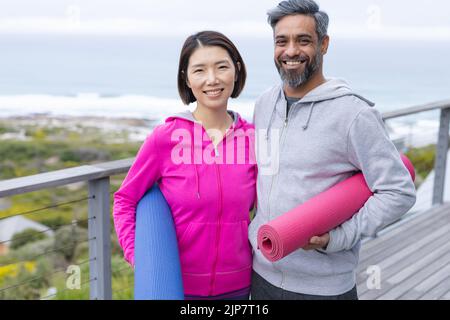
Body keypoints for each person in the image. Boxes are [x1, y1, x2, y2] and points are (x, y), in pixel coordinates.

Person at [248, 0, 416, 300]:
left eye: (303, 40)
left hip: (323, 290)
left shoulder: (353, 114)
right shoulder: (263, 104)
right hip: (262, 276)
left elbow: (398, 191)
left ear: (323, 44)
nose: (290, 51)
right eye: (281, 41)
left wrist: (338, 238)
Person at [113, 31, 256, 300]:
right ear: (187, 79)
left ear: (236, 72)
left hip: (239, 287)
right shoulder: (165, 138)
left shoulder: (253, 139)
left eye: (221, 67)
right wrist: (142, 260)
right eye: (199, 70)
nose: (212, 79)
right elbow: (124, 201)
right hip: (177, 287)